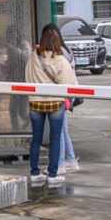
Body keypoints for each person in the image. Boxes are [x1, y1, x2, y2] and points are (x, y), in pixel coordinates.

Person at [23, 25, 75, 187]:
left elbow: (27, 77)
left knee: (36, 138)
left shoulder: (33, 57)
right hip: (55, 102)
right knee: (54, 138)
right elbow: (69, 83)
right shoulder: (60, 60)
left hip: (35, 103)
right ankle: (53, 173)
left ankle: (34, 172)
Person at [41, 23, 80, 174]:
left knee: (59, 130)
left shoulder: (59, 53)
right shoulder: (66, 49)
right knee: (62, 129)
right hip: (68, 93)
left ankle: (60, 164)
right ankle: (70, 160)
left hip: (62, 94)